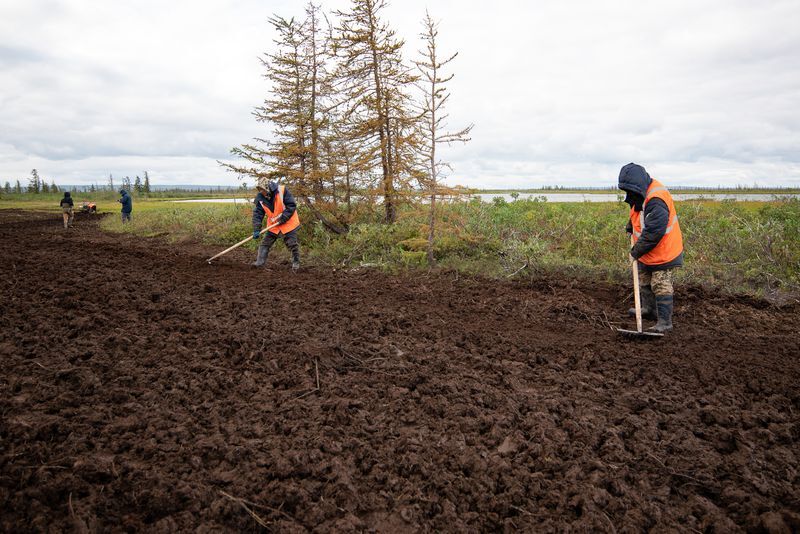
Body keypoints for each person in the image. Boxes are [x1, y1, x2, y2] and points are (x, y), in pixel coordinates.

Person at [618, 163, 684, 333]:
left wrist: (635, 252)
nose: (628, 195)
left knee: (660, 283)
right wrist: (630, 226)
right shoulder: (639, 194)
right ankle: (649, 310)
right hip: (648, 250)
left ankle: (664, 321)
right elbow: (639, 213)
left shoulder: (656, 199)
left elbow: (654, 231)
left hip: (664, 251)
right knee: (644, 279)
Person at [252, 180, 301, 271]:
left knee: (292, 244)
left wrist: (284, 217)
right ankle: (259, 263)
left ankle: (296, 264)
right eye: (259, 190)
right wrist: (256, 228)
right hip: (274, 224)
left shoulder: (282, 190)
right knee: (265, 244)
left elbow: (292, 205)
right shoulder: (260, 199)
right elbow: (258, 214)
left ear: (267, 188)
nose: (261, 192)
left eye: (262, 189)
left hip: (288, 222)